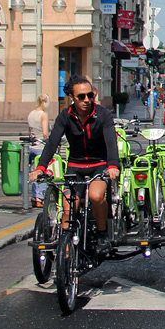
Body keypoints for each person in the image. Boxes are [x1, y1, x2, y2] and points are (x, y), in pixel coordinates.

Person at [32, 76, 120, 253]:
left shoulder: (103, 114)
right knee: (68, 206)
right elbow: (52, 143)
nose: (86, 100)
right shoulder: (65, 117)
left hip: (100, 165)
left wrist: (113, 165)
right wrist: (40, 168)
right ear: (72, 98)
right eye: (81, 97)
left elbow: (111, 142)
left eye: (90, 96)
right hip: (75, 167)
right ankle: (65, 251)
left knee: (96, 197)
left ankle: (102, 234)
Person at [26, 94, 50, 206]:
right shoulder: (43, 115)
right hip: (41, 147)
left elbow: (29, 132)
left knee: (34, 172)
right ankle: (40, 197)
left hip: (32, 146)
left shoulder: (31, 114)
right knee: (42, 173)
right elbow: (45, 133)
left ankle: (34, 196)